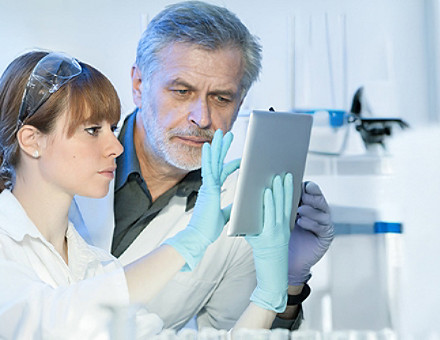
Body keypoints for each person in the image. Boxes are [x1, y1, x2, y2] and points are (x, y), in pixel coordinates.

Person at [70, 0, 334, 331]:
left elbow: (236, 332)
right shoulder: (65, 160)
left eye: (221, 98)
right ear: (138, 84)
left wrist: (289, 281)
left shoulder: (240, 206)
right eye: (181, 91)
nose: (202, 117)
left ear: (241, 101)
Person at [0, 50, 295, 338]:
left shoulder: (94, 264)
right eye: (92, 130)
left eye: (111, 128)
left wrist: (268, 297)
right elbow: (56, 322)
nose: (115, 147)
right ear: (31, 140)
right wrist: (187, 244)